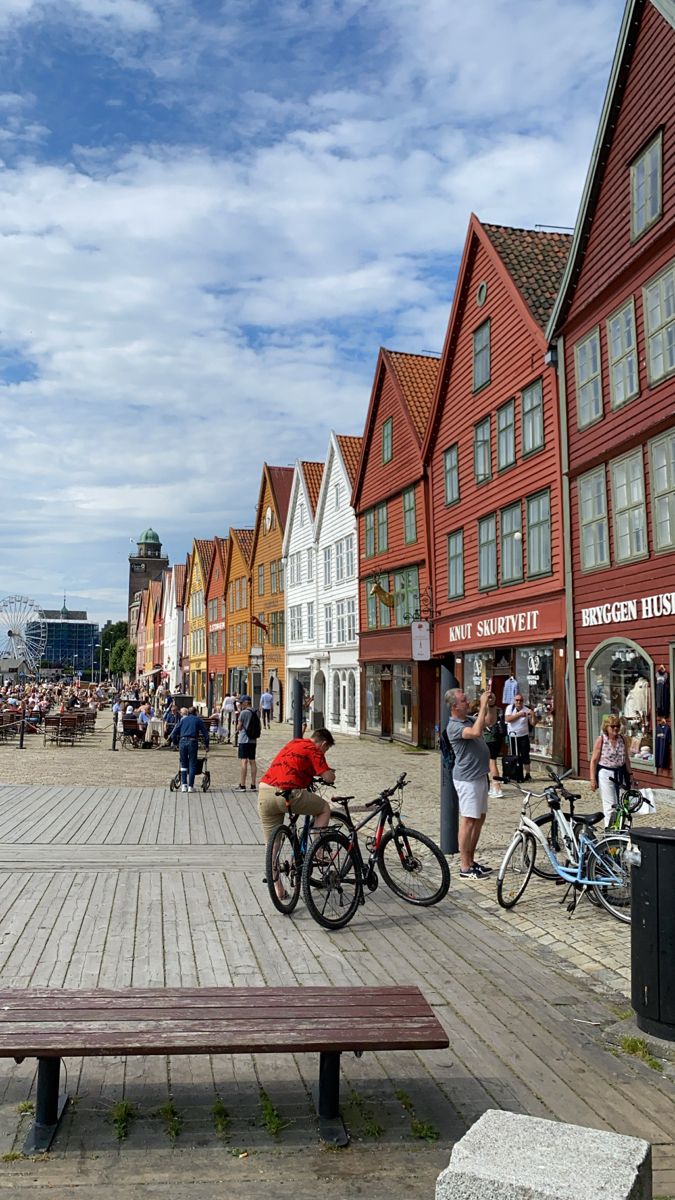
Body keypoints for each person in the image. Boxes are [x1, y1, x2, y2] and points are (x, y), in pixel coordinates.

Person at [258, 729, 336, 900]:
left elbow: (294, 763)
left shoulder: (294, 743)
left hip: (264, 791)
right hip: (287, 792)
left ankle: (277, 888)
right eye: (326, 749)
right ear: (323, 744)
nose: (324, 752)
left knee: (272, 846)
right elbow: (328, 777)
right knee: (324, 808)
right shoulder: (314, 749)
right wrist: (331, 773)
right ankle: (318, 849)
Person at [445, 688, 492, 880]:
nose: (467, 702)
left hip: (480, 776)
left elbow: (488, 722)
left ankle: (472, 861)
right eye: (463, 700)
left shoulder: (468, 719)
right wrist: (481, 706)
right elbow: (476, 731)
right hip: (467, 779)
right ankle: (464, 866)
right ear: (455, 706)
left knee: (479, 819)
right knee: (468, 820)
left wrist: (490, 704)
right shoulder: (454, 727)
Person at [590, 716, 629, 826]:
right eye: (612, 726)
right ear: (606, 727)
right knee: (610, 804)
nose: (615, 729)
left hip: (620, 773)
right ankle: (610, 830)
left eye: (617, 726)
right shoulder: (601, 740)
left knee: (622, 804)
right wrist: (593, 779)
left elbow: (626, 759)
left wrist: (630, 774)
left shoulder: (623, 739)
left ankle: (620, 827)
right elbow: (593, 761)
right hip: (606, 773)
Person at [171, 706, 209, 792]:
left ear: (188, 713)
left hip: (183, 741)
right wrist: (206, 745)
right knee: (192, 763)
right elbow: (205, 733)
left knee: (183, 763)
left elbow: (174, 732)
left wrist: (175, 743)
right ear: (196, 713)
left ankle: (184, 785)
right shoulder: (198, 720)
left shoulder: (183, 720)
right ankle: (190, 786)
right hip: (192, 742)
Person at [504, 693, 536, 781]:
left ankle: (527, 774)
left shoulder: (526, 709)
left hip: (523, 735)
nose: (519, 702)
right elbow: (507, 719)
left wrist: (532, 715)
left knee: (525, 755)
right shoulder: (510, 708)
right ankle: (515, 773)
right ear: (514, 701)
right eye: (517, 700)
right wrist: (519, 715)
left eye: (521, 700)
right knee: (514, 755)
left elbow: (533, 723)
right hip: (513, 736)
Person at [483, 693, 504, 798]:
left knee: (492, 763)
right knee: (491, 762)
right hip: (497, 738)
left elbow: (489, 722)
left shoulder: (488, 710)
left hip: (489, 739)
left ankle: (497, 787)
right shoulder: (499, 710)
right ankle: (493, 786)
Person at [236, 696, 258, 790]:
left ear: (245, 703)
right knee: (252, 761)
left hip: (244, 739)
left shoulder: (243, 713)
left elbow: (239, 727)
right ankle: (253, 785)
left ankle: (242, 784)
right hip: (253, 740)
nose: (240, 705)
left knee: (244, 761)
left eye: (241, 703)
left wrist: (237, 728)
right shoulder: (256, 712)